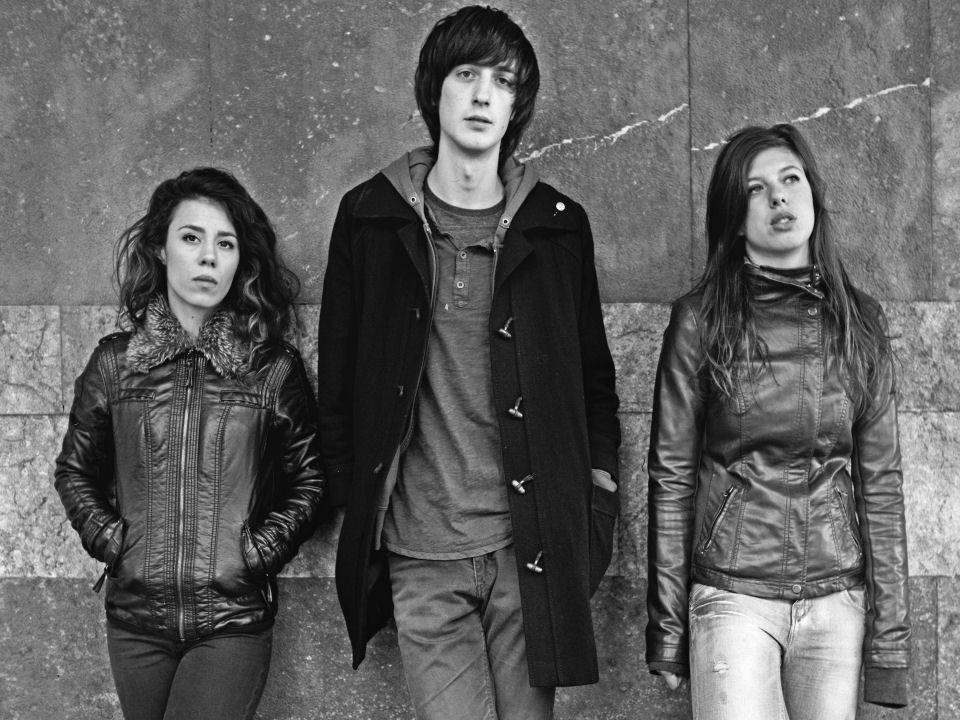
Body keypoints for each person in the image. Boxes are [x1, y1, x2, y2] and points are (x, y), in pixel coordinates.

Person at [317, 6, 621, 719]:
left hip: (530, 546)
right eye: (467, 74)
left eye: (503, 82)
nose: (484, 95)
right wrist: (351, 496)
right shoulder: (370, 215)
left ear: (517, 106)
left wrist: (598, 491)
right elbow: (339, 371)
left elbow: (592, 378)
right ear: (435, 90)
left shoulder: (558, 226)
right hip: (421, 551)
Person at [645, 123, 910, 718]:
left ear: (812, 193)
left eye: (790, 180)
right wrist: (667, 629)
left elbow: (882, 487)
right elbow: (671, 479)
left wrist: (890, 643)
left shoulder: (861, 324)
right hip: (733, 594)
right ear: (736, 218)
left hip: (835, 601)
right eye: (755, 189)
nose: (778, 197)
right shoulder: (700, 321)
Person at [54, 167, 324, 720]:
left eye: (225, 244)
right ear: (160, 247)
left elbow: (311, 478)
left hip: (231, 620)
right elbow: (74, 470)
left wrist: (258, 552)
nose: (208, 258)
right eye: (191, 237)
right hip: (135, 623)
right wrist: (113, 541)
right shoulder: (115, 363)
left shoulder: (271, 369)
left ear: (240, 260)